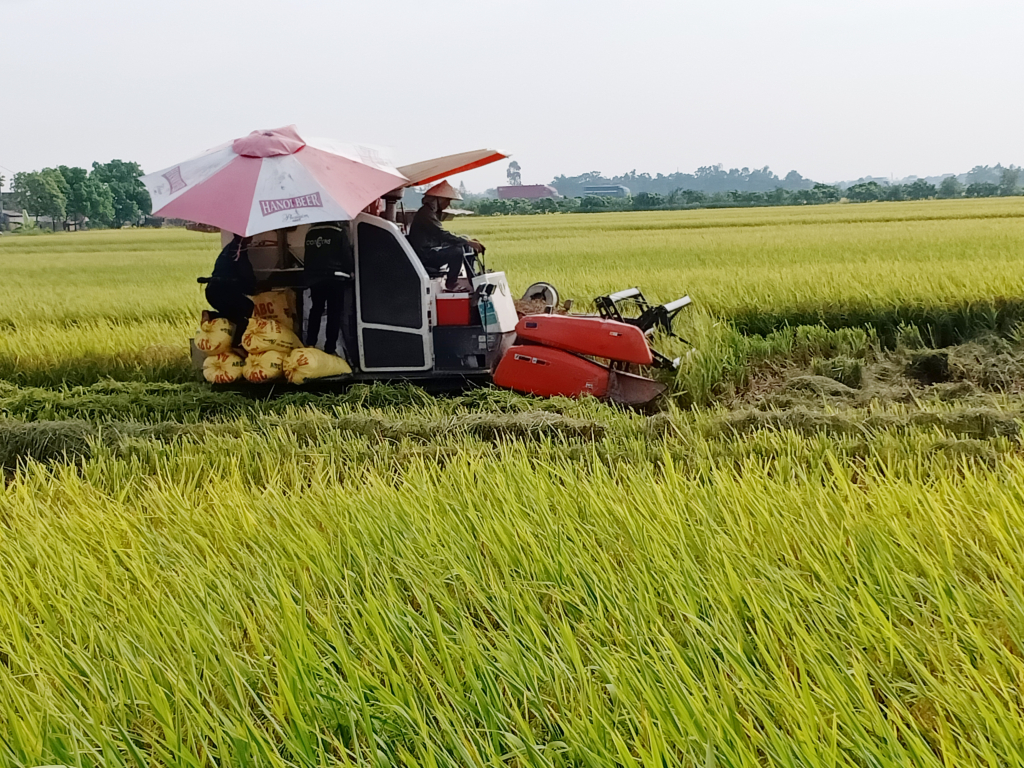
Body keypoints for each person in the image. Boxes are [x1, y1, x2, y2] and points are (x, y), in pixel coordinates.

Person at [407, 180, 485, 290]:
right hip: (425, 255)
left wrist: (466, 241)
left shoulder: (430, 213)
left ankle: (472, 279)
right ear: (438, 199)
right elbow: (442, 234)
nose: (448, 204)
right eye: (447, 200)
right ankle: (451, 283)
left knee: (464, 242)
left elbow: (441, 236)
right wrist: (467, 241)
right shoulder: (426, 214)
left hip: (430, 251)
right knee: (457, 251)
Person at [303, 223, 353, 354]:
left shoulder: (310, 232)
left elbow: (307, 256)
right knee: (334, 313)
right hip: (335, 278)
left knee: (316, 310)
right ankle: (330, 348)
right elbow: (346, 254)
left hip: (315, 278)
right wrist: (351, 271)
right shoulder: (338, 231)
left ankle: (310, 344)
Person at [204, 234, 256, 345]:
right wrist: (254, 288)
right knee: (246, 310)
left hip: (212, 290)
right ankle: (237, 345)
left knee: (232, 313)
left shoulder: (229, 248)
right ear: (244, 237)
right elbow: (246, 273)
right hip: (223, 292)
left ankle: (213, 316)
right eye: (250, 236)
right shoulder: (238, 251)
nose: (252, 238)